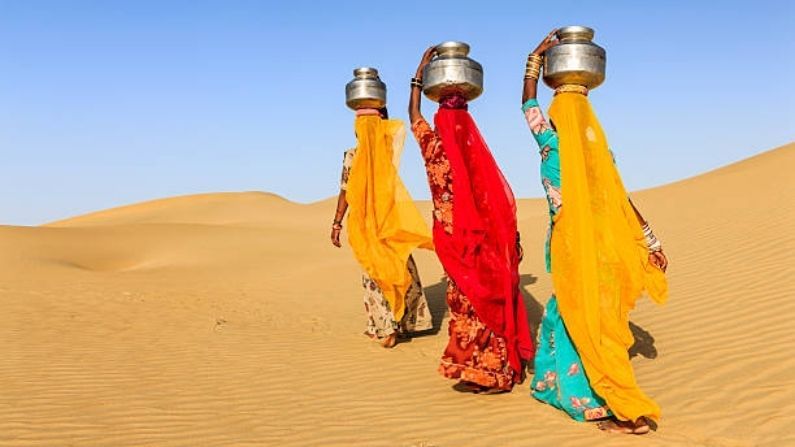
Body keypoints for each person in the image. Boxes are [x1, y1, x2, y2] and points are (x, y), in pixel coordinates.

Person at [521, 30, 669, 434]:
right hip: (603, 247)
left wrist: (534, 59)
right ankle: (582, 393)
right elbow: (624, 201)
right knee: (586, 316)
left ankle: (605, 400)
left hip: (571, 249)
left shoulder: (550, 145)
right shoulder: (600, 154)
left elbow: (528, 105)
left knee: (580, 316)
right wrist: (650, 241)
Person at [408, 47, 534, 393]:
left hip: (456, 241)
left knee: (466, 304)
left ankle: (491, 372)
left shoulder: (433, 147)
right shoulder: (475, 155)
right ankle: (488, 370)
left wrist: (418, 76)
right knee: (485, 303)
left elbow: (414, 116)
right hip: (480, 243)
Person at [330, 106, 434, 348]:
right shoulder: (385, 152)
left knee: (377, 272)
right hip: (385, 222)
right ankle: (394, 324)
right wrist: (381, 113)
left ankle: (388, 328)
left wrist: (336, 222)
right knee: (395, 267)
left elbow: (344, 191)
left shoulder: (361, 155)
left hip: (373, 224)